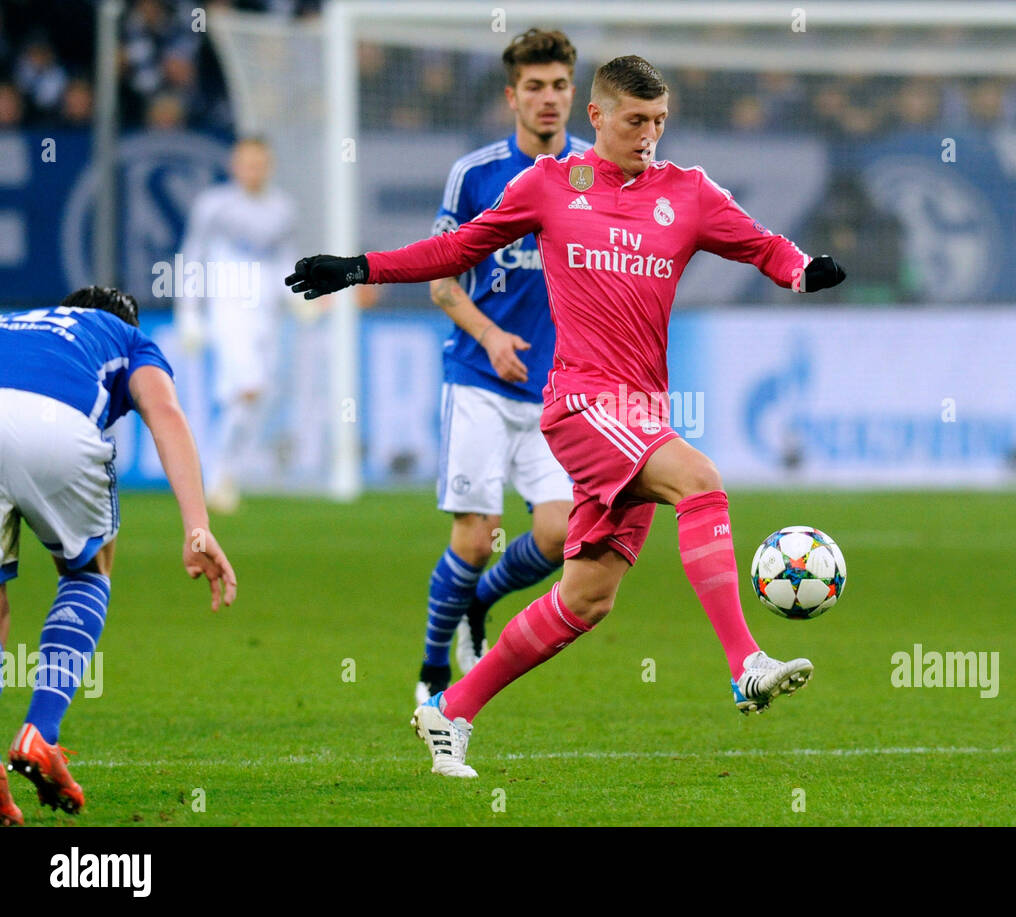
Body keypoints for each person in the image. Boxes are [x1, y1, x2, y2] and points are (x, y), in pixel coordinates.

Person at [286, 56, 846, 778]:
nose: (649, 136)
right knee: (701, 481)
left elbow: (762, 244)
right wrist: (361, 267)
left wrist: (803, 270)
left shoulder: (689, 192)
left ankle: (449, 709)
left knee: (586, 598)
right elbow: (459, 247)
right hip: (581, 400)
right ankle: (745, 663)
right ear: (599, 117)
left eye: (659, 122)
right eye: (636, 121)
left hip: (640, 409)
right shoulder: (552, 186)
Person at [0, 287, 236, 824]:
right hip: (53, 427)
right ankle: (42, 732)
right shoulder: (130, 338)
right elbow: (166, 413)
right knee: (88, 571)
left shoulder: (19, 319)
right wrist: (197, 527)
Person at [415, 29, 587, 706]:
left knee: (562, 531)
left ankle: (479, 604)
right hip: (479, 379)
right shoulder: (476, 175)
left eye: (560, 85)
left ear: (575, 92)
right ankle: (432, 669)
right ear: (511, 96)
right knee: (477, 535)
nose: (549, 99)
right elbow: (440, 280)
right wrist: (489, 336)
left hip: (555, 391)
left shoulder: (595, 174)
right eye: (535, 87)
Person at [175, 135, 299, 513]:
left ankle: (223, 473)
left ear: (269, 166)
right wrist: (189, 314)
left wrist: (298, 295)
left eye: (260, 163)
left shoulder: (283, 209)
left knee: (256, 397)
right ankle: (219, 477)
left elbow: (284, 262)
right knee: (249, 388)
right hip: (229, 311)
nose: (253, 170)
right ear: (234, 165)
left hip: (267, 315)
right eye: (247, 163)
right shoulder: (215, 206)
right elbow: (192, 257)